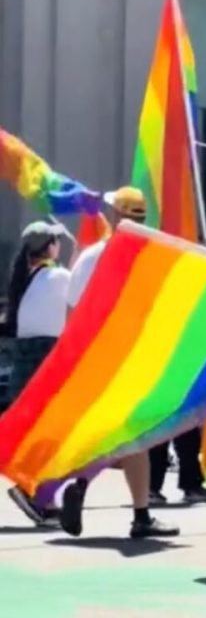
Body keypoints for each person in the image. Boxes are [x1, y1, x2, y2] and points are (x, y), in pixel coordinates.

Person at [59, 186, 180, 540]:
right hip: (136, 362)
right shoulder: (155, 261)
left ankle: (80, 486)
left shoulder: (92, 257)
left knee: (106, 433)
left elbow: (73, 314)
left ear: (115, 217)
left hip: (95, 360)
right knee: (133, 437)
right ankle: (139, 513)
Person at [5, 221, 72, 526]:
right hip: (47, 359)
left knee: (38, 434)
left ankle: (39, 494)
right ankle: (35, 493)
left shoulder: (23, 281)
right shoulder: (58, 277)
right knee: (52, 434)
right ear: (50, 247)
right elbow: (84, 299)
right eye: (56, 240)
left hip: (26, 361)